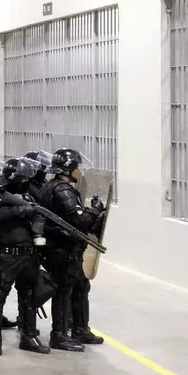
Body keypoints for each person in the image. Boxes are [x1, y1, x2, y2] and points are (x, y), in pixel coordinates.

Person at [0, 158, 50, 357]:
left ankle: (28, 336)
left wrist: (42, 248)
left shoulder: (28, 194)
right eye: (25, 179)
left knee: (30, 297)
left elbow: (40, 221)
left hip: (29, 254)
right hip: (7, 254)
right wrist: (20, 211)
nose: (28, 182)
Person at [40, 148, 106, 350]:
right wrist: (95, 211)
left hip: (64, 249)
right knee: (63, 290)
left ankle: (79, 329)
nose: (79, 172)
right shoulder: (62, 190)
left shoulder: (53, 186)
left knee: (80, 287)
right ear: (68, 170)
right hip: (62, 250)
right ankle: (59, 334)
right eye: (77, 168)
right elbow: (80, 220)